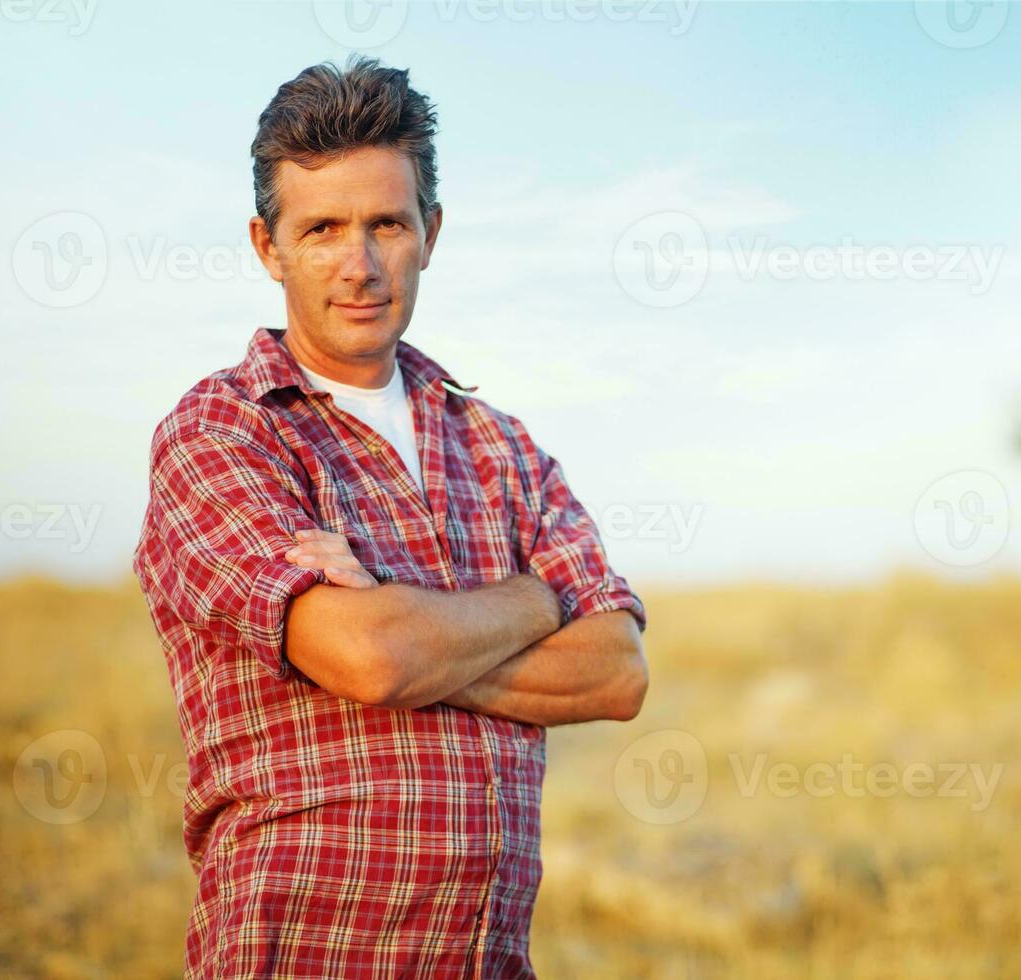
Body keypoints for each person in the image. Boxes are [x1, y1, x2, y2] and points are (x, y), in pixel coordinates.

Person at [131, 55, 648, 978]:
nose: (360, 265)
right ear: (267, 245)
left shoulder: (501, 447)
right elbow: (370, 658)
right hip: (299, 955)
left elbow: (615, 674)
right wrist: (533, 603)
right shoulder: (220, 433)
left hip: (483, 960)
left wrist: (395, 618)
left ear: (431, 232)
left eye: (387, 225)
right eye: (322, 228)